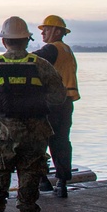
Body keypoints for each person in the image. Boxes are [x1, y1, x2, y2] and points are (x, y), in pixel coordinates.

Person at [0, 17, 66, 212]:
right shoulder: (41, 65)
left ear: (4, 41)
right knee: (30, 173)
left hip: (3, 130)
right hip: (35, 130)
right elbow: (59, 96)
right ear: (27, 40)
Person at [33, 15, 80, 198]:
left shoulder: (51, 49)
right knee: (61, 141)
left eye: (46, 29)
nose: (43, 32)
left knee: (39, 140)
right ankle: (62, 182)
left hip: (51, 102)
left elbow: (31, 60)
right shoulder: (67, 50)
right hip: (66, 103)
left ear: (58, 31)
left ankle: (42, 180)